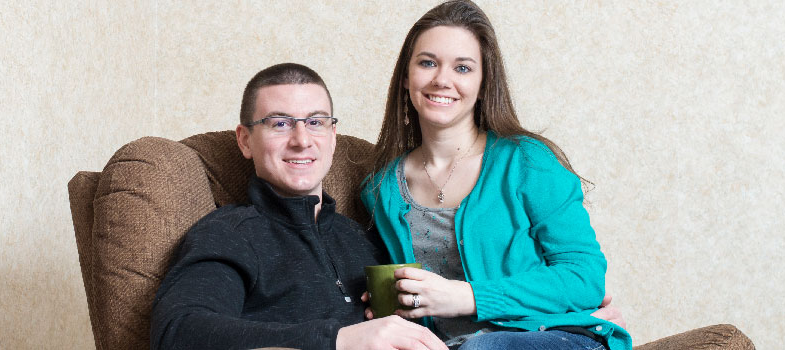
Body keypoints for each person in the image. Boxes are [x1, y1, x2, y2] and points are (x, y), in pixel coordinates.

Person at [360, 1, 631, 350]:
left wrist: (467, 296)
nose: (442, 80)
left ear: (484, 82)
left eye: (463, 68)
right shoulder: (380, 189)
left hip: (548, 337)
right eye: (427, 63)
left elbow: (584, 276)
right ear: (405, 78)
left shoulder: (528, 162)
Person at [150, 63, 449, 350]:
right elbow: (178, 332)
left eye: (316, 122)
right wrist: (338, 341)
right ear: (245, 140)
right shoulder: (229, 235)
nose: (302, 140)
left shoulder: (365, 236)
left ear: (332, 137)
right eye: (280, 124)